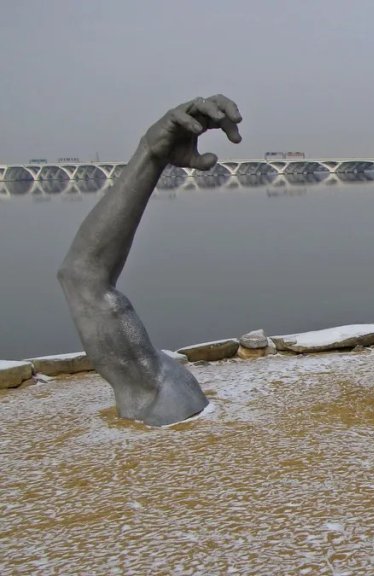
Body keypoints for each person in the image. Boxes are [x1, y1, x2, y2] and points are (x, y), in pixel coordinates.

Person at [58, 95, 243, 426]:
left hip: (164, 402)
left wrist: (149, 155)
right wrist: (151, 156)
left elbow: (81, 275)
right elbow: (82, 276)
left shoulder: (156, 385)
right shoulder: (165, 381)